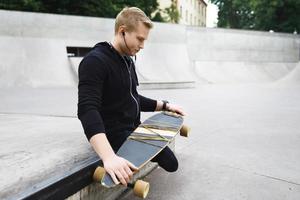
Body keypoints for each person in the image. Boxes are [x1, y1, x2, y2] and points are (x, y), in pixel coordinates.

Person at [77, 7, 185, 186]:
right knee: (170, 163)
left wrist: (165, 105)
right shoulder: (95, 62)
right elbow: (87, 109)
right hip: (113, 133)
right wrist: (109, 156)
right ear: (122, 31)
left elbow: (132, 97)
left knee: (172, 164)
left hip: (133, 127)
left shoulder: (127, 59)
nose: (142, 46)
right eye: (140, 39)